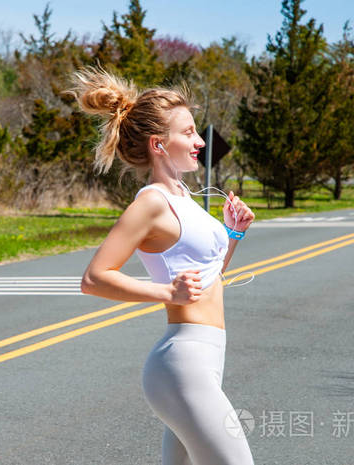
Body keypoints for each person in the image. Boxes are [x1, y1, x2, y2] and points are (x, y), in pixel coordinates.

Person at [71, 68, 256, 465]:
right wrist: (166, 293)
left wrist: (233, 234)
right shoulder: (152, 202)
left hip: (205, 359)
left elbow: (207, 278)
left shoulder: (186, 199)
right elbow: (94, 278)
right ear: (158, 143)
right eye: (188, 132)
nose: (199, 141)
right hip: (182, 365)